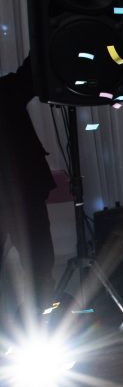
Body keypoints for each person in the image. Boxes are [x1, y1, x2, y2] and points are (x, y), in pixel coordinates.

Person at [0, 54, 57, 325]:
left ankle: (40, 323)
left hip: (24, 192)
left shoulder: (6, 92)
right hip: (23, 191)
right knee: (39, 263)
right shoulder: (7, 92)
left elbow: (32, 74)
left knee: (39, 263)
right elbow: (31, 75)